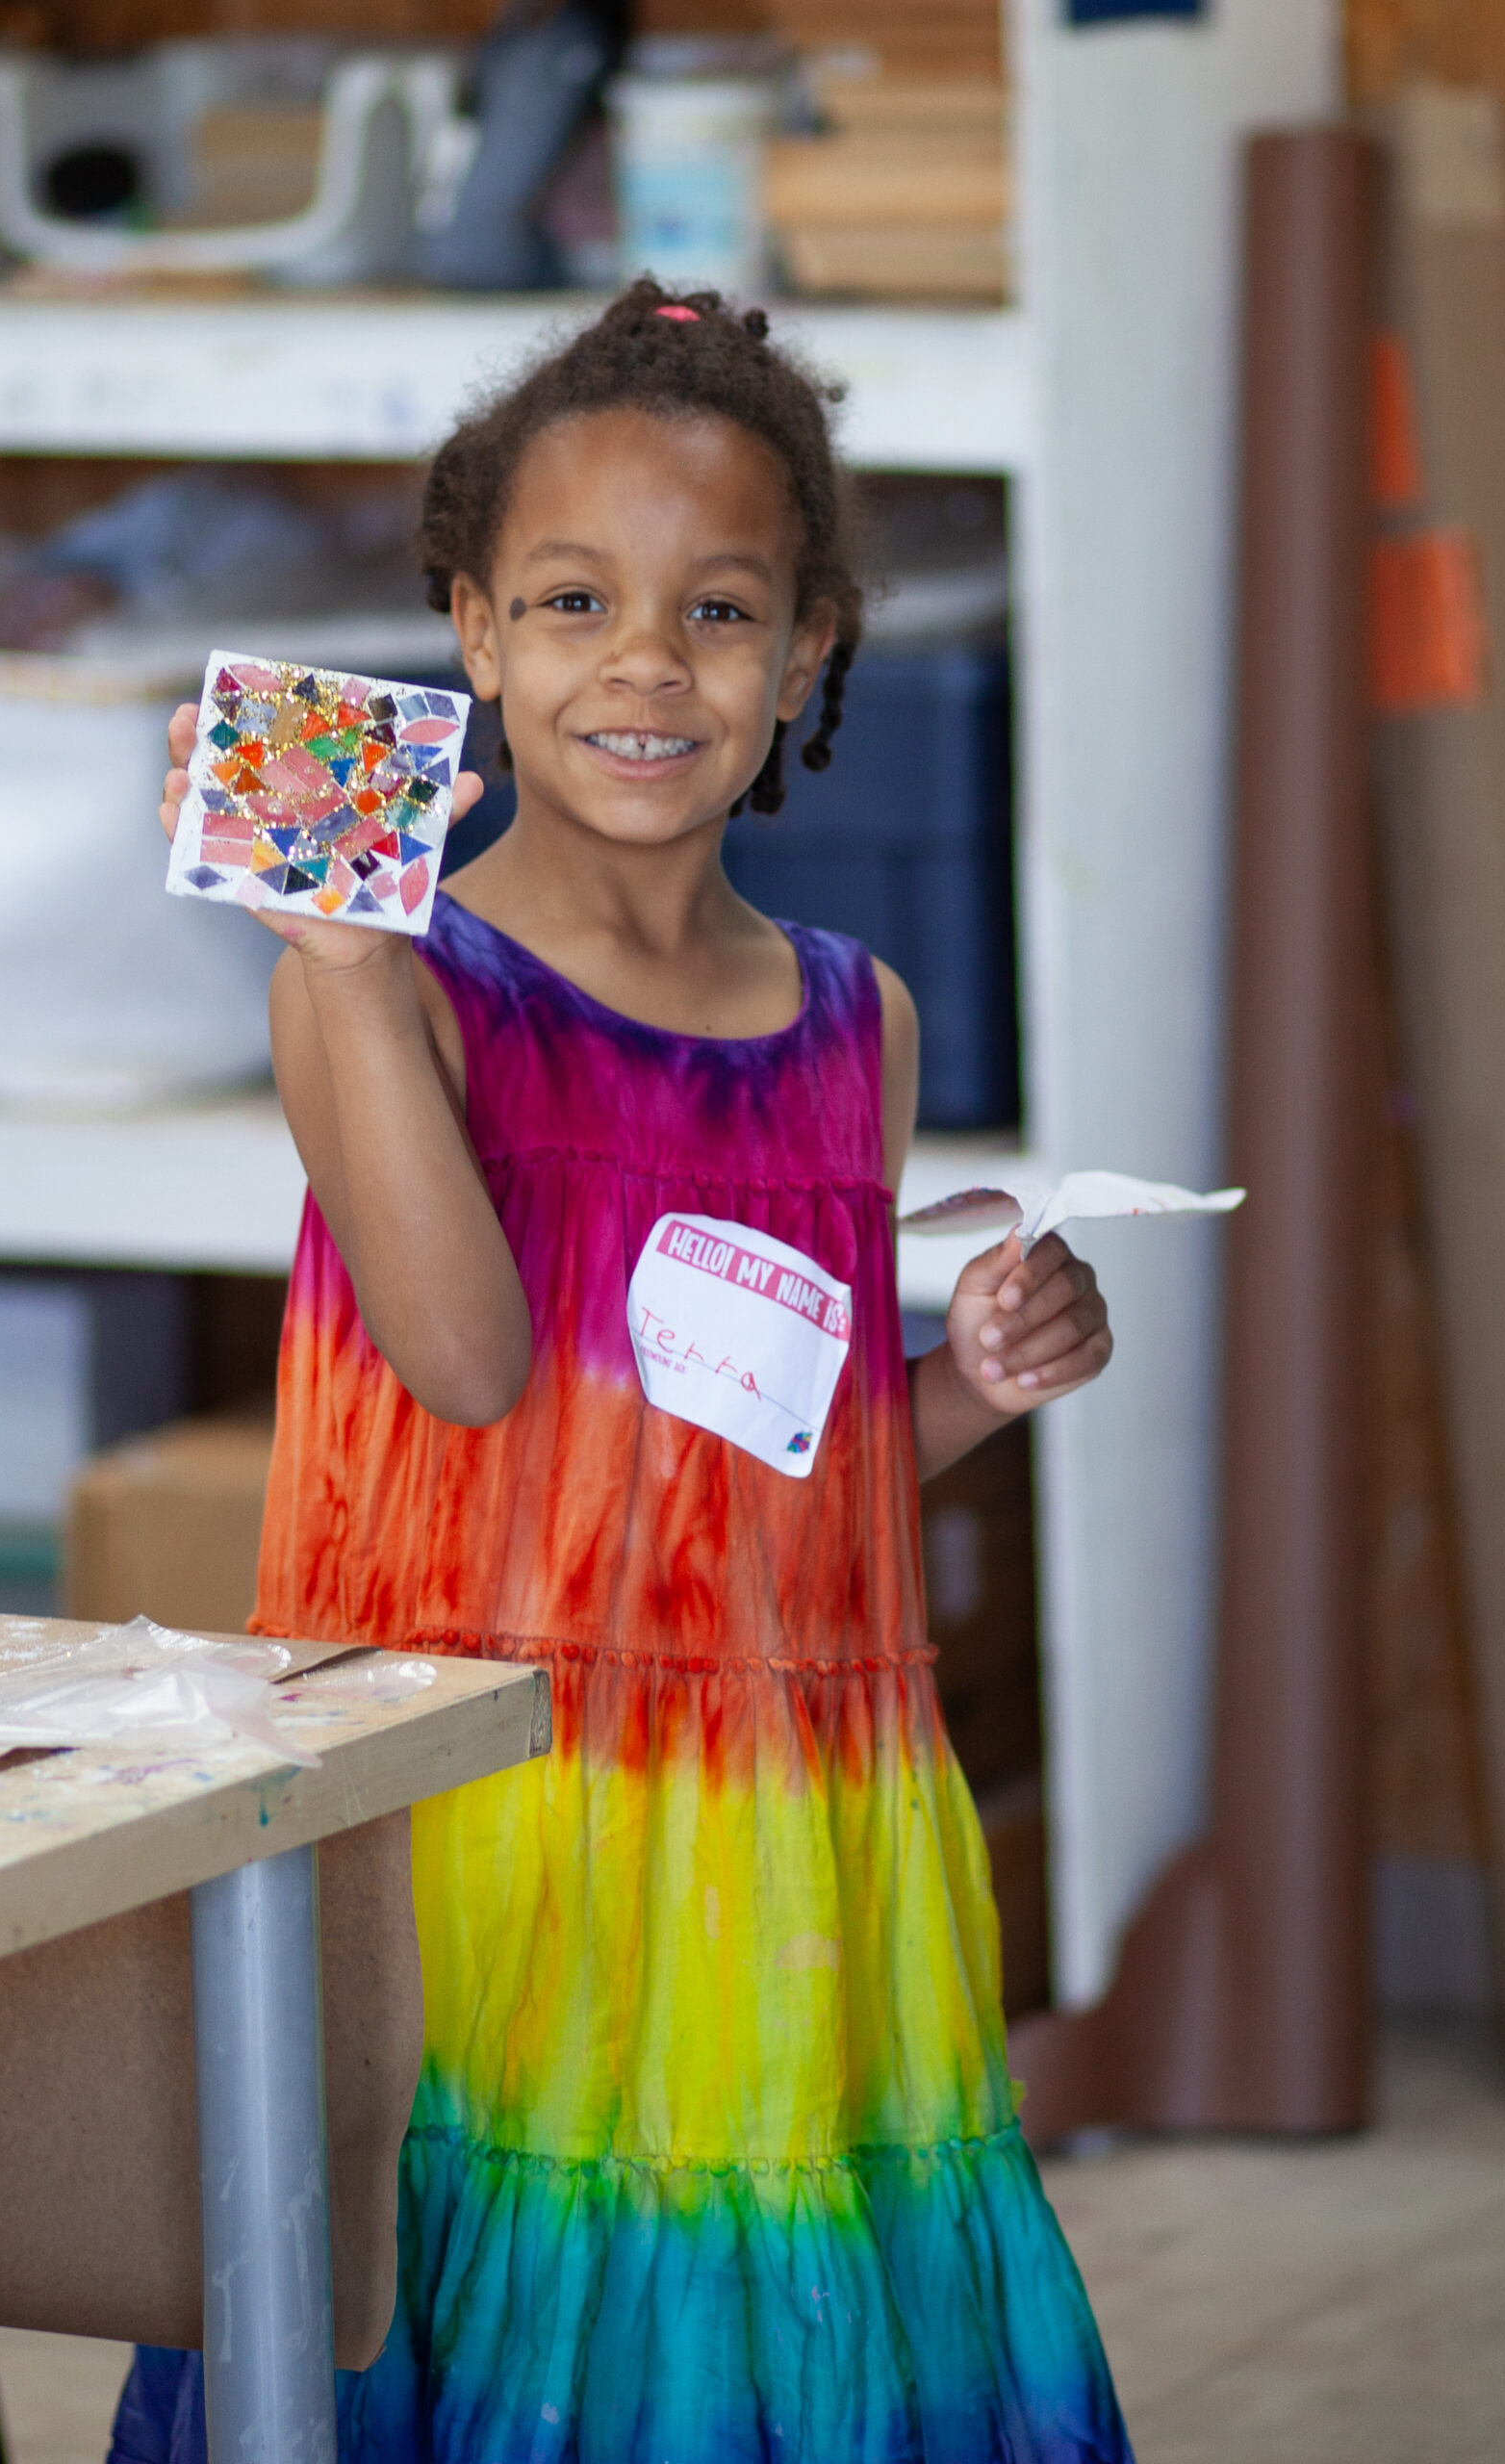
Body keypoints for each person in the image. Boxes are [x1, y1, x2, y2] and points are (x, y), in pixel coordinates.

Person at [112, 280, 1129, 2464]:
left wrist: (974, 1377)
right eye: (574, 601)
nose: (645, 663)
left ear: (809, 652)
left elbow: (790, 1470)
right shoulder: (393, 983)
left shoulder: (855, 1018)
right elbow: (469, 1368)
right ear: (473, 636)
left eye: (718, 611)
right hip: (485, 1831)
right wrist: (350, 980)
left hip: (773, 1832)